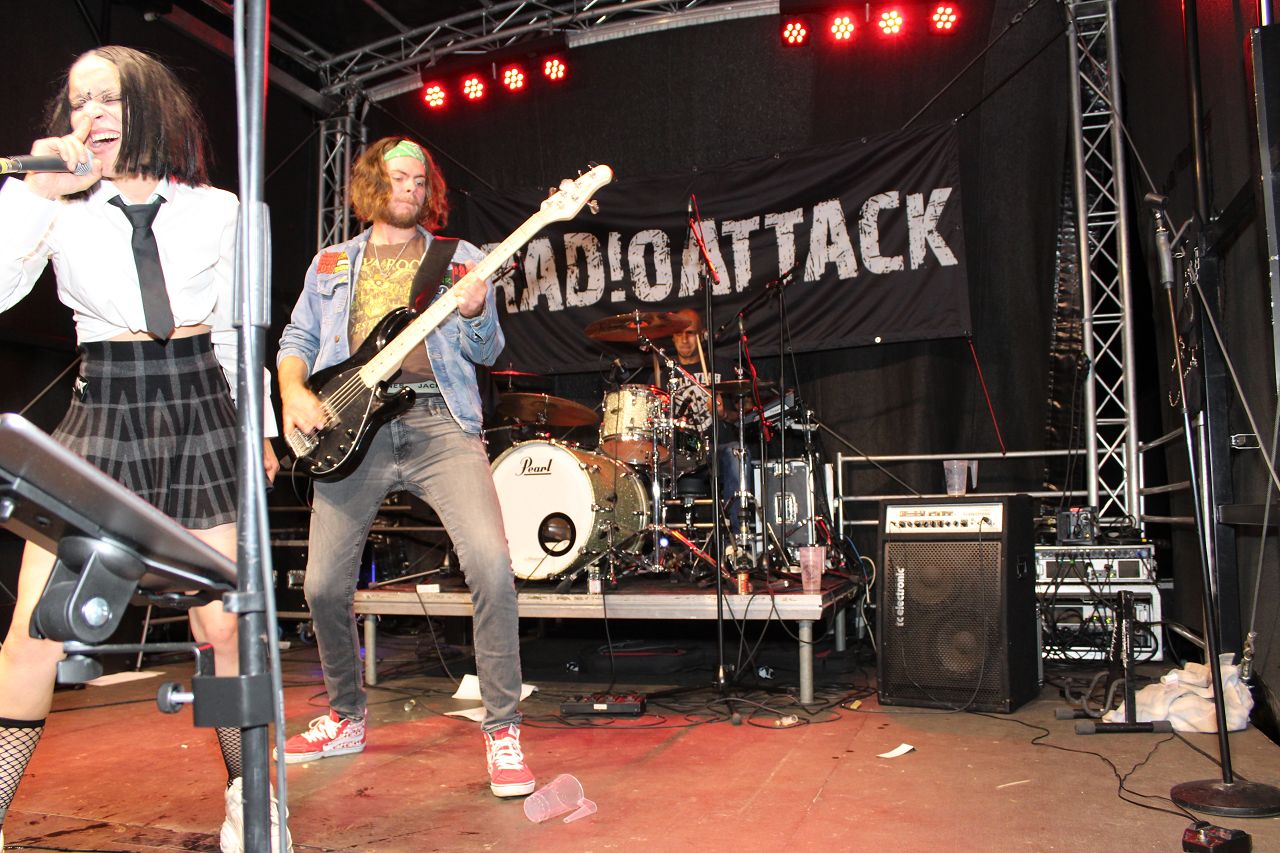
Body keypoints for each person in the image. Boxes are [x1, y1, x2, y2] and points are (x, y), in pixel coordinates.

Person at [0, 47, 286, 852]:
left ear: (151, 108)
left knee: (224, 628)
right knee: (35, 630)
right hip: (107, 405)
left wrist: (256, 430)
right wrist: (32, 195)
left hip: (199, 403)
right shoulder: (57, 204)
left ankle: (252, 800)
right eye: (78, 101)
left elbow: (237, 334)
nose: (89, 114)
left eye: (108, 98)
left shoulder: (221, 209)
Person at [276, 137, 534, 797]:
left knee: (491, 568)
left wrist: (475, 311)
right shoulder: (332, 262)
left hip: (439, 419)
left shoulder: (459, 256)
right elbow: (299, 338)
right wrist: (294, 391)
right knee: (322, 587)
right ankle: (345, 715)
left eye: (420, 181)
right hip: (349, 425)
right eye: (398, 178)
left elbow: (487, 349)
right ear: (371, 182)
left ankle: (503, 729)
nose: (411, 189)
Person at [653, 308, 753, 543]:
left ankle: (738, 538)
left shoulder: (723, 367)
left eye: (690, 333)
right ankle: (659, 541)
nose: (684, 339)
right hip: (682, 449)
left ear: (702, 335)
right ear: (672, 337)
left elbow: (748, 410)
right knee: (650, 458)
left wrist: (724, 413)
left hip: (719, 447)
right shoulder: (664, 375)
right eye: (678, 334)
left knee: (738, 452)